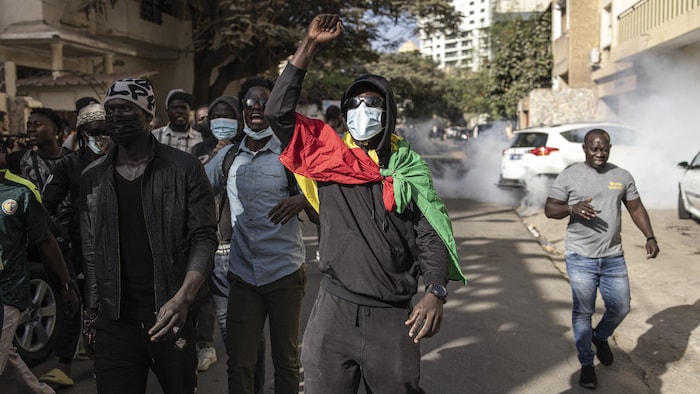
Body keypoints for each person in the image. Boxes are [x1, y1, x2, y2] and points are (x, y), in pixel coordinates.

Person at [264, 14, 466, 393]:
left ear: (387, 111)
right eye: (352, 104)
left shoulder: (410, 169)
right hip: (332, 311)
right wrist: (308, 45)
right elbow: (277, 113)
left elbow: (430, 235)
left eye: (370, 103)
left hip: (392, 320)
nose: (361, 111)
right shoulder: (329, 158)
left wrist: (436, 291)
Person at [79, 78, 218, 393]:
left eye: (126, 109)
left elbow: (204, 237)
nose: (115, 117)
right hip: (115, 324)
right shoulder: (94, 177)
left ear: (148, 115)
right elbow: (91, 250)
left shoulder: (184, 168)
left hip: (170, 318)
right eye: (110, 109)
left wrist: (184, 297)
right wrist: (91, 315)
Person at [205, 76, 317, 394]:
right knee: (240, 362)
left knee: (285, 361)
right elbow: (194, 187)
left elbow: (323, 209)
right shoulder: (228, 157)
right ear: (243, 110)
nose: (257, 107)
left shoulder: (290, 154)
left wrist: (303, 199)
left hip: (284, 272)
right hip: (241, 275)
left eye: (264, 102)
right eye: (250, 102)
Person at [544, 128, 660, 389]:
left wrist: (650, 237)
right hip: (580, 256)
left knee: (621, 307)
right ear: (584, 148)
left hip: (612, 256)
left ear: (610, 148)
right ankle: (587, 363)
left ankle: (600, 335)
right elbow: (550, 209)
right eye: (594, 148)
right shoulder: (570, 175)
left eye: (604, 148)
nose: (599, 153)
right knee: (583, 311)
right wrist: (571, 208)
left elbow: (636, 208)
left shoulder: (621, 176)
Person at [0, 107, 81, 387]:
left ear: (57, 131)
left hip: (60, 238)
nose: (32, 128)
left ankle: (64, 363)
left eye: (39, 124)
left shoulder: (71, 161)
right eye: (29, 124)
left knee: (68, 292)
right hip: (25, 239)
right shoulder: (21, 159)